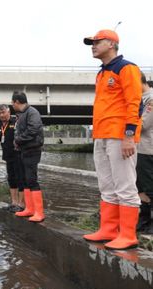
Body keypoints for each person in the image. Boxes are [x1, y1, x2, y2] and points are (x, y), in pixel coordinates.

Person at [82, 29, 143, 250]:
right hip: (102, 135)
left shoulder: (126, 68)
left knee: (125, 185)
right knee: (106, 185)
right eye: (92, 43)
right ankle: (108, 229)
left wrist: (129, 136)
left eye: (97, 42)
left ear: (111, 43)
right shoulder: (101, 73)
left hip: (119, 136)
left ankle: (128, 235)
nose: (93, 45)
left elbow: (134, 102)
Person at [11, 91, 45, 222]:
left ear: (17, 102)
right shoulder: (22, 114)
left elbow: (33, 130)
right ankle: (29, 209)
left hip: (33, 150)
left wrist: (18, 140)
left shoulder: (32, 112)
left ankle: (39, 212)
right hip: (24, 150)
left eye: (12, 103)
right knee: (25, 180)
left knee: (31, 179)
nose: (12, 105)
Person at [0, 104, 24, 212]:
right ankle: (13, 203)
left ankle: (21, 204)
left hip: (18, 155)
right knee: (11, 179)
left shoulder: (16, 122)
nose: (1, 115)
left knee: (20, 179)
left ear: (9, 112)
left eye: (3, 112)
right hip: (7, 155)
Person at [136, 73, 153, 233]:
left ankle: (149, 221)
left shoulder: (150, 98)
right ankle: (145, 220)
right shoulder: (141, 98)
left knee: (149, 186)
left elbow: (144, 125)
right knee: (139, 186)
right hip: (139, 148)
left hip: (147, 149)